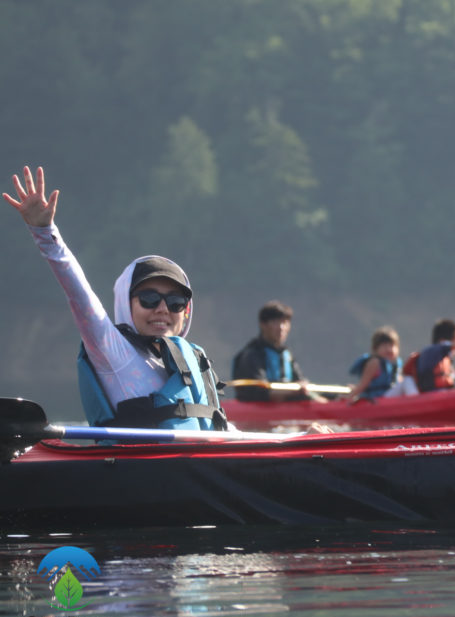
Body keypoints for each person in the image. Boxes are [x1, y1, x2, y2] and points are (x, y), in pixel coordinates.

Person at [3, 166, 228, 431]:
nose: (162, 309)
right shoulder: (112, 350)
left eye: (175, 302)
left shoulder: (192, 359)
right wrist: (44, 233)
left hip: (201, 466)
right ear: (126, 302)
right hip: (144, 469)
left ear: (186, 311)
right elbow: (80, 295)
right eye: (149, 298)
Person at [231, 300, 326, 402]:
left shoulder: (286, 354)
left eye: (284, 322)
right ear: (263, 325)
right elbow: (259, 392)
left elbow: (300, 381)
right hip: (258, 408)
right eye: (275, 322)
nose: (281, 328)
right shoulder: (251, 355)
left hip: (286, 405)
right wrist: (294, 391)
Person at [345, 326, 407, 402]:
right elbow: (363, 384)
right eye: (384, 345)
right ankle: (414, 401)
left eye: (392, 345)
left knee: (407, 381)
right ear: (375, 348)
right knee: (408, 381)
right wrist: (349, 397)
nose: (389, 349)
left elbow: (398, 383)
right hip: (378, 398)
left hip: (389, 397)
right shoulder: (374, 362)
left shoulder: (395, 364)